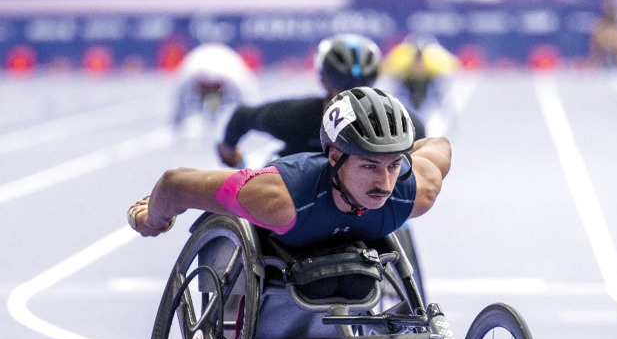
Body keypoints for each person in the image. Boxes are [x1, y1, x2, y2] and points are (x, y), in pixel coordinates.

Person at [129, 86, 451, 251]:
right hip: (281, 235)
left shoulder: (416, 191)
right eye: (369, 165)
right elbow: (175, 184)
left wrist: (401, 156)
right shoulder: (277, 197)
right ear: (336, 156)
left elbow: (440, 148)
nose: (384, 182)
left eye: (393, 165)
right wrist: (150, 220)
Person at [215, 34, 423, 168]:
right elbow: (421, 147)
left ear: (323, 81)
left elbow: (242, 116)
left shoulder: (293, 116)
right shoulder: (403, 121)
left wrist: (231, 152)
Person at [172, 43, 257, 134]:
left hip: (222, 75)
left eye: (214, 87)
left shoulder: (234, 76)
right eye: (207, 87)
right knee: (212, 107)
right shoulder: (190, 73)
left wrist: (251, 118)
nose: (211, 92)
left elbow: (248, 93)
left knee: (212, 107)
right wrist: (178, 117)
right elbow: (178, 93)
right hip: (205, 75)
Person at [380, 34, 461, 114]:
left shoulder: (435, 61)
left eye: (420, 60)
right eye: (416, 60)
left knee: (439, 93)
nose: (418, 64)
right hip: (408, 81)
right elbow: (386, 68)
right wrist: (397, 75)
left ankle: (446, 113)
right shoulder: (402, 60)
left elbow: (454, 66)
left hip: (429, 80)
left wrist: (440, 77)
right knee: (395, 92)